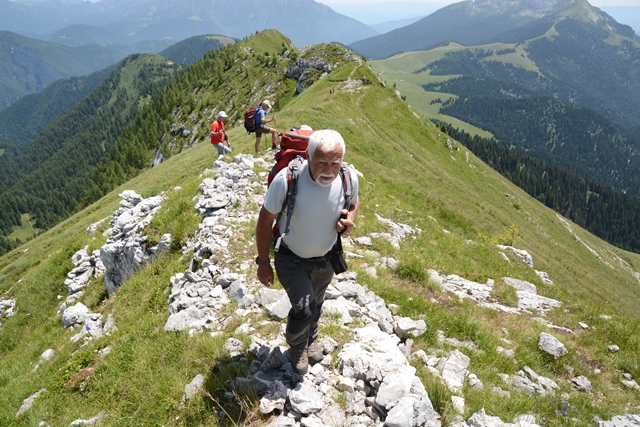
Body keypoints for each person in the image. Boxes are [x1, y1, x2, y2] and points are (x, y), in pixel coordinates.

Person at [255, 129, 360, 375]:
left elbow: (353, 203)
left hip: (326, 258)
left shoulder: (348, 178)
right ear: (308, 156)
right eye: (321, 162)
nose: (329, 170)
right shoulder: (287, 180)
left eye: (335, 163)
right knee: (304, 309)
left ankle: (311, 340)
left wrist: (349, 218)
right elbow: (264, 221)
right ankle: (296, 345)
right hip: (291, 259)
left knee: (317, 303)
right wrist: (262, 261)